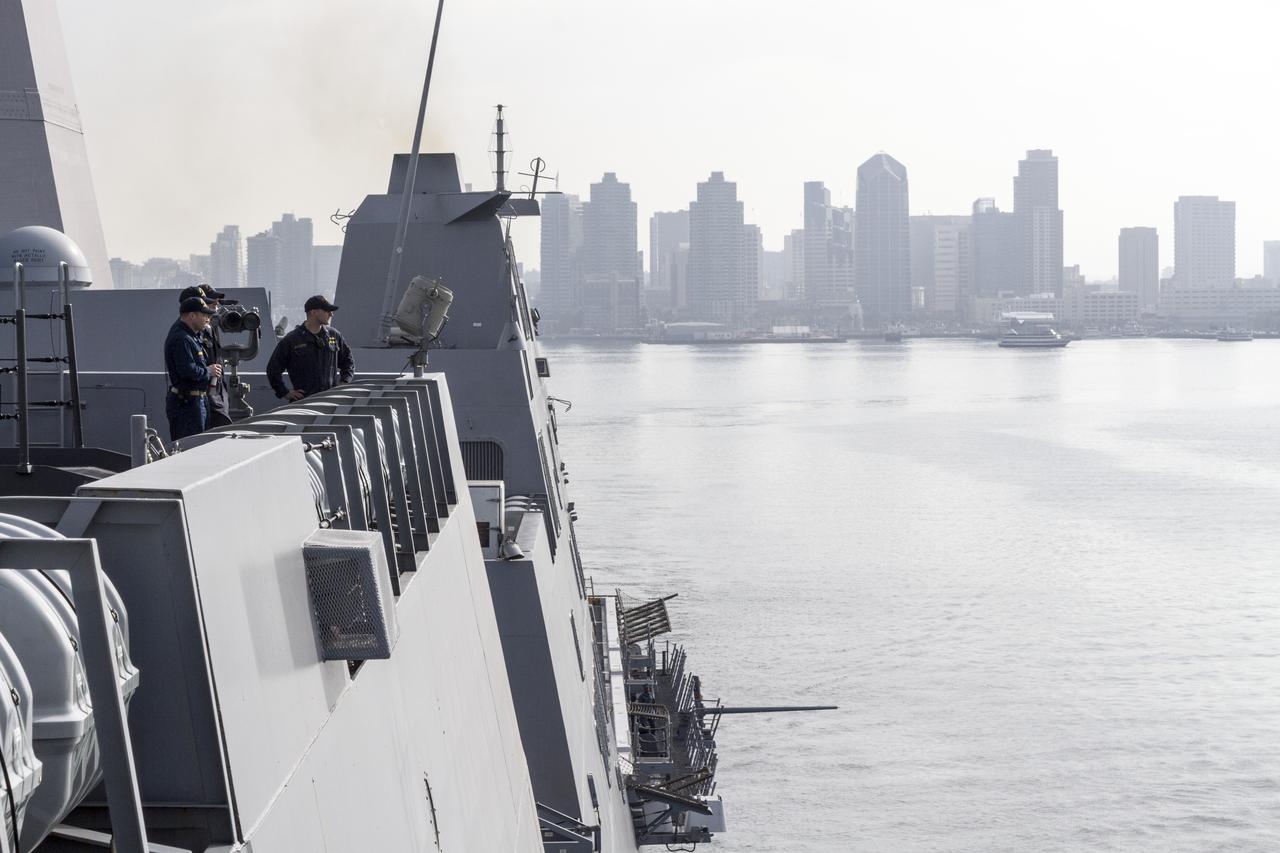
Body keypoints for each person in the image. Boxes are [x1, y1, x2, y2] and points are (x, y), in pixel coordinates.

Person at [266, 295, 354, 401]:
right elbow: (273, 369)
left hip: (330, 402)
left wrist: (344, 382)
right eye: (327, 311)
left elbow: (348, 361)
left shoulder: (334, 336)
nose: (331, 314)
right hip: (303, 403)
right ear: (313, 312)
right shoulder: (292, 340)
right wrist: (285, 392)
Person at [164, 296, 222, 441]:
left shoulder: (192, 337)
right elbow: (188, 371)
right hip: (187, 405)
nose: (207, 319)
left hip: (196, 401)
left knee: (200, 444)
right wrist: (208, 371)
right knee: (189, 445)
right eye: (204, 315)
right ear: (192, 315)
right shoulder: (182, 339)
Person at [178, 284, 232, 427]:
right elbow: (189, 369)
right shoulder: (185, 335)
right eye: (207, 301)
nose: (214, 304)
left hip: (212, 393)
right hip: (200, 395)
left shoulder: (203, 329)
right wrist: (209, 372)